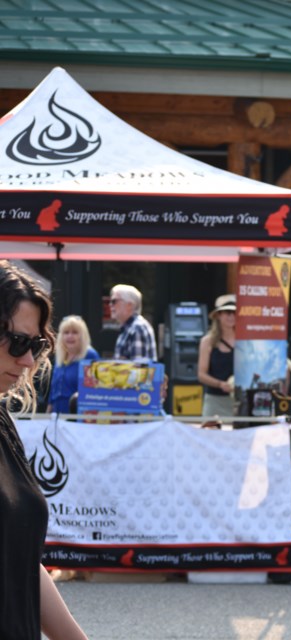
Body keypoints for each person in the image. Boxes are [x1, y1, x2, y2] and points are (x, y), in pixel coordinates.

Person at [0, 260, 89, 639]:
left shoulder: (3, 421)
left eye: (36, 345)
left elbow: (19, 559)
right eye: (18, 342)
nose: (28, 361)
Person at [47, 315, 99, 414]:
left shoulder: (90, 355)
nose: (70, 336)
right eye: (66, 333)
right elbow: (53, 393)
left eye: (75, 332)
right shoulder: (61, 357)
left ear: (82, 336)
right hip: (57, 418)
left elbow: (94, 391)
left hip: (78, 420)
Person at [197, 294, 236, 417]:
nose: (231, 316)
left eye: (234, 313)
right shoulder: (208, 341)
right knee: (209, 434)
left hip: (238, 401)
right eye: (227, 312)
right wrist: (220, 384)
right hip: (214, 401)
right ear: (218, 315)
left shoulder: (245, 342)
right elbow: (201, 374)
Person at [109, 284, 157, 361]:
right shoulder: (129, 328)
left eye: (114, 301)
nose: (110, 305)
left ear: (129, 305)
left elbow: (138, 369)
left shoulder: (137, 328)